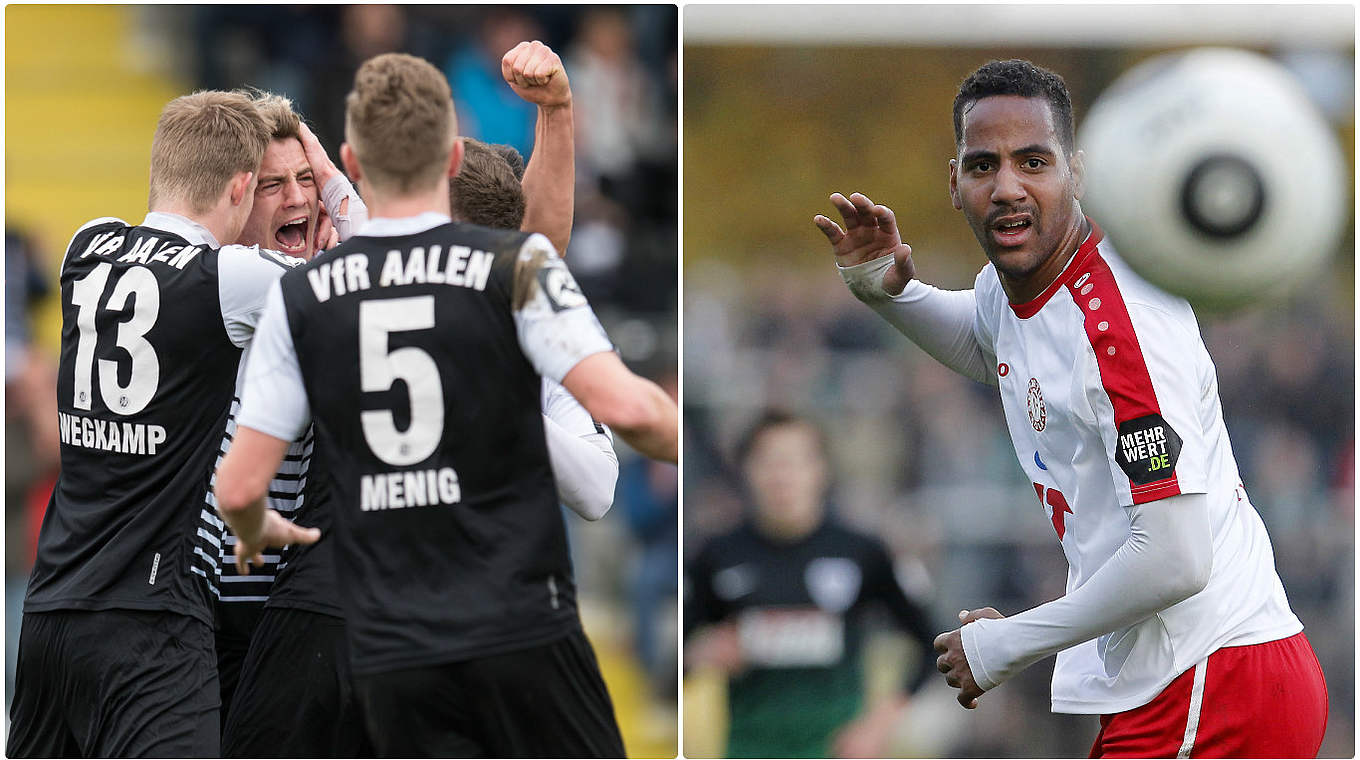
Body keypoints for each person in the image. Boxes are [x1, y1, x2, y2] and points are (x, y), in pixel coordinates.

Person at [816, 59, 1327, 757]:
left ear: (1076, 173)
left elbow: (1176, 559)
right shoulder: (1019, 289)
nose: (1007, 187)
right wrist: (889, 292)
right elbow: (988, 342)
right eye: (982, 166)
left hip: (1216, 682)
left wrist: (1007, 644)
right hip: (1186, 681)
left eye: (1033, 161)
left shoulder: (1121, 330)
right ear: (954, 183)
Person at [214, 51, 676, 757]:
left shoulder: (311, 289)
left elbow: (241, 484)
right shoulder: (515, 278)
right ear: (453, 152)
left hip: (334, 609)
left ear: (351, 164)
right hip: (495, 615)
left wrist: (250, 526)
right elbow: (628, 434)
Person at [7, 90, 317, 758]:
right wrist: (328, 181)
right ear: (241, 187)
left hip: (50, 611)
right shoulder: (227, 276)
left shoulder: (87, 248)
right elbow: (354, 287)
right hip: (151, 621)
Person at [212, 89, 368, 733]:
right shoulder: (209, 284)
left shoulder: (326, 294)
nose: (300, 199)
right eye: (274, 185)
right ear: (235, 198)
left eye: (308, 180)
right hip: (208, 607)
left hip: (292, 610)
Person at [685, 410, 936, 758]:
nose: (782, 476)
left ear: (821, 470)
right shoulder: (717, 556)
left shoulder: (862, 551)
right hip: (750, 747)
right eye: (769, 462)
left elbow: (930, 643)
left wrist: (877, 726)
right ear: (746, 471)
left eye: (796, 461)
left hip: (834, 749)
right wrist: (698, 653)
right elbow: (674, 663)